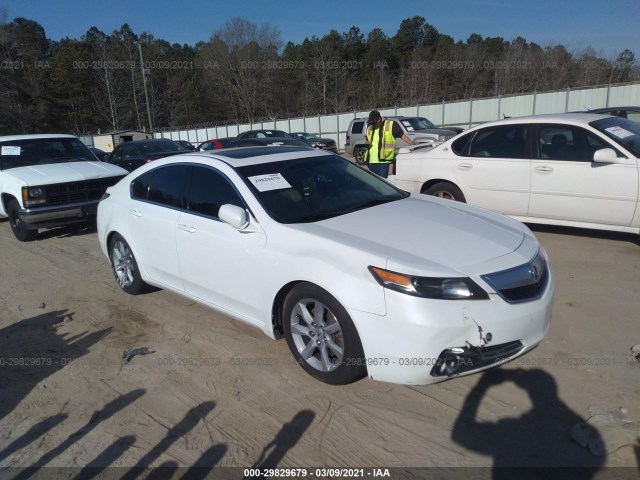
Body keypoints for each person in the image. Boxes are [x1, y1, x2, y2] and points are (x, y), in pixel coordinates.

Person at [364, 110, 413, 178]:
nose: (372, 124)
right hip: (370, 161)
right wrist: (367, 143)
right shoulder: (370, 128)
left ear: (379, 119)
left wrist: (411, 142)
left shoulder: (390, 125)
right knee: (373, 183)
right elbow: (367, 139)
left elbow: (401, 134)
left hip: (382, 161)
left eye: (374, 122)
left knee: (382, 183)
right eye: (371, 122)